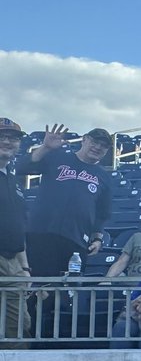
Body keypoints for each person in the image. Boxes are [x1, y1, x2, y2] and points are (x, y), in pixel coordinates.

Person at [16, 124, 113, 276]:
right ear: (85, 140)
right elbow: (22, 167)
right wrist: (45, 147)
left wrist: (98, 239)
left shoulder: (104, 177)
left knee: (67, 291)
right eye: (94, 142)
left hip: (77, 239)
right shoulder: (58, 157)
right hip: (41, 232)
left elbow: (102, 213)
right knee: (38, 286)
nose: (98, 147)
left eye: (103, 146)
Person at [0, 118, 30, 347]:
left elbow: (19, 228)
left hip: (13, 263)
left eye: (13, 138)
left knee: (18, 328)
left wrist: (25, 268)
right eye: (1, 136)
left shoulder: (14, 179)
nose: (7, 141)